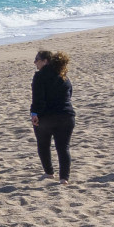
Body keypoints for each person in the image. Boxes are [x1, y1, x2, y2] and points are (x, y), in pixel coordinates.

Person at [29, 50, 75, 180]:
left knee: (43, 145)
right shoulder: (63, 75)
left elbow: (37, 99)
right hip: (66, 115)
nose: (35, 62)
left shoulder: (39, 76)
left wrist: (34, 113)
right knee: (63, 147)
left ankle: (49, 173)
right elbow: (69, 94)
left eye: (37, 59)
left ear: (45, 61)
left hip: (46, 117)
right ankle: (64, 178)